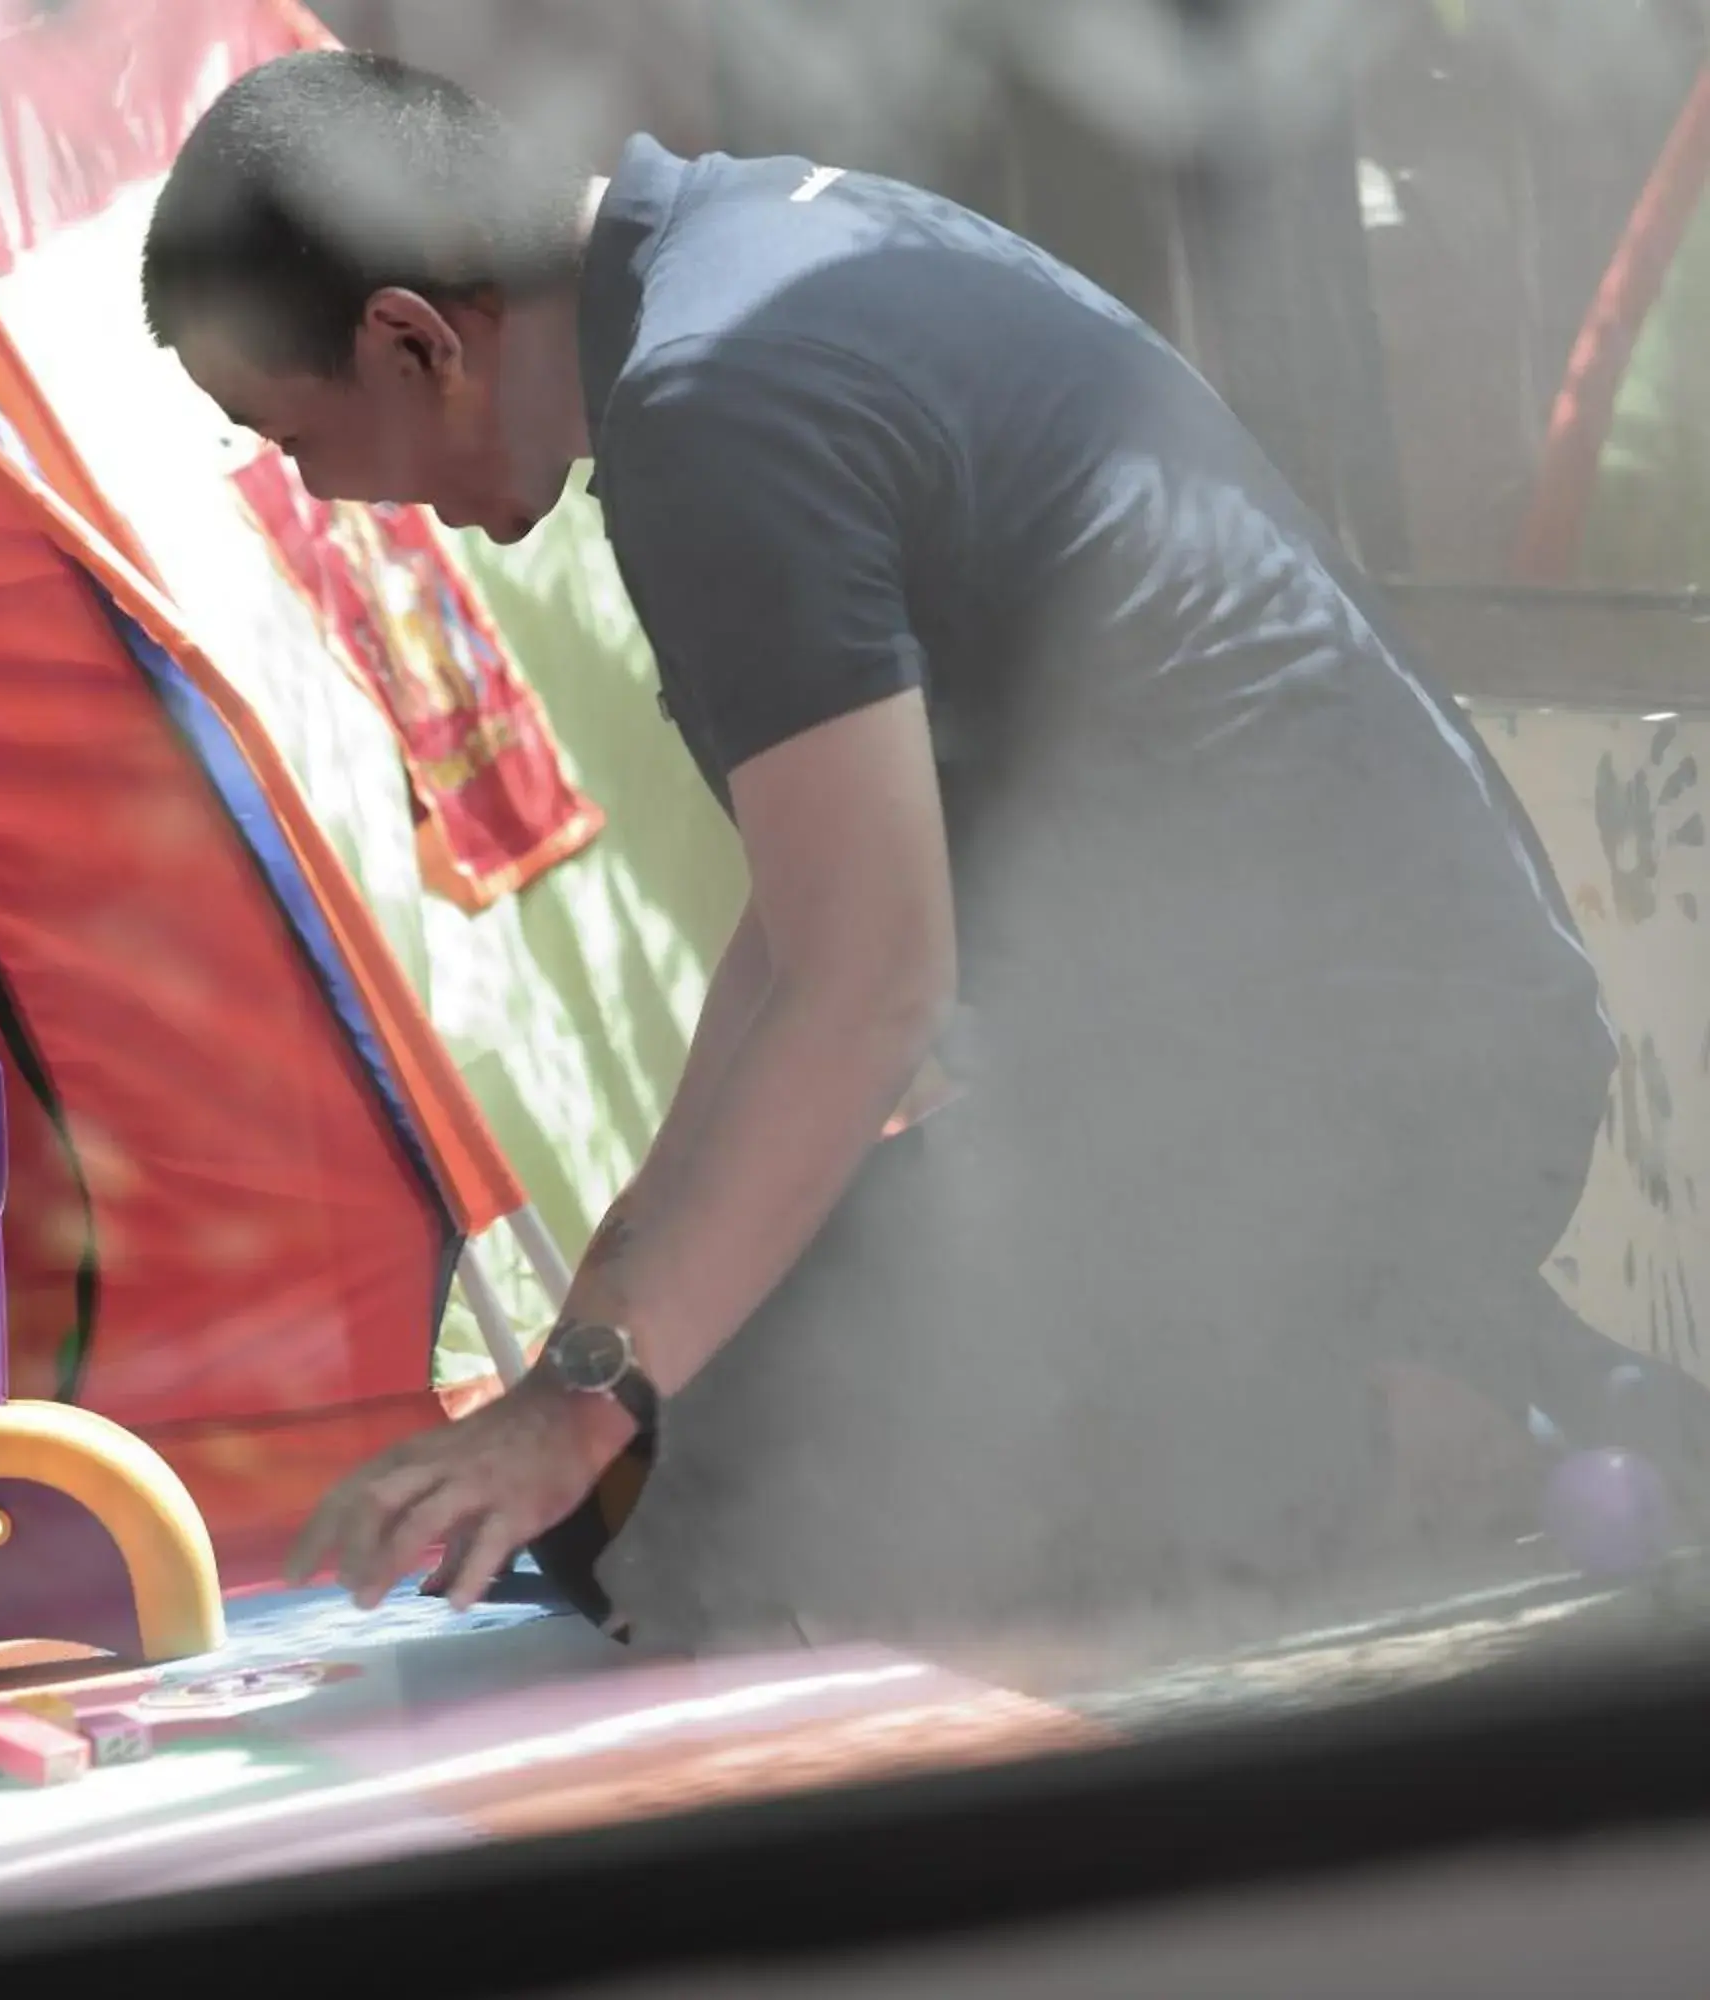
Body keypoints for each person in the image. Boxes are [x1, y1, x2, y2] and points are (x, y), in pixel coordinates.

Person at [142, 52, 1643, 1652]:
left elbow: (874, 984)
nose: (331, 498)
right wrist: (606, 1328)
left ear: (412, 341)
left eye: (293, 439)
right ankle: (1421, 1374)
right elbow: (809, 926)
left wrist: (576, 1408)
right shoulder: (740, 265)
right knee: (659, 1460)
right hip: (1309, 1057)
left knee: (784, 1484)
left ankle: (1449, 1431)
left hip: (1371, 1087)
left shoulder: (714, 395)